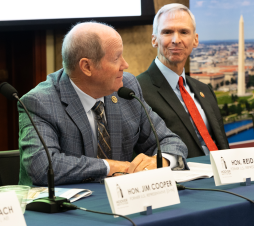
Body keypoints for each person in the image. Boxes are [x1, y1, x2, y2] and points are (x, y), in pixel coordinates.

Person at [19, 22, 188, 186]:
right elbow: (43, 167)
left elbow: (170, 141)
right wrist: (111, 167)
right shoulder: (40, 102)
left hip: (124, 200)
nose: (125, 65)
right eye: (116, 58)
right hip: (63, 209)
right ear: (86, 66)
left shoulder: (127, 87)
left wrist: (161, 160)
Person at [137, 3, 230, 157]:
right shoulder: (138, 90)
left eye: (184, 32)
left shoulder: (204, 90)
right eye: (167, 32)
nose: (176, 39)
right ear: (154, 40)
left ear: (195, 40)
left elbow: (221, 144)